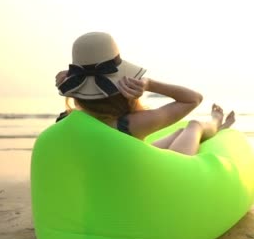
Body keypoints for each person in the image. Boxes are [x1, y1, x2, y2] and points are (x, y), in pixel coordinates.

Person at [54, 32, 235, 155]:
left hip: (118, 171)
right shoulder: (132, 124)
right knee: (194, 125)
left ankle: (214, 125)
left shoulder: (65, 120)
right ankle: (216, 123)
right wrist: (149, 84)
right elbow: (193, 99)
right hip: (156, 180)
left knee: (180, 131)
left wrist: (72, 83)